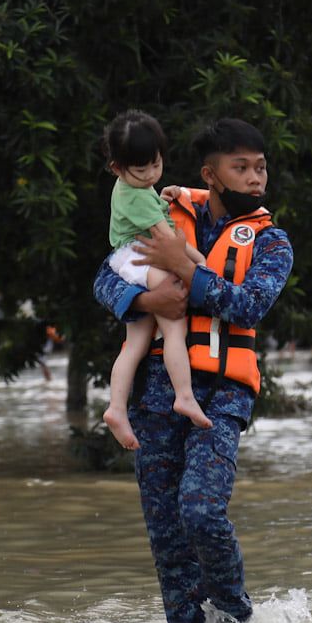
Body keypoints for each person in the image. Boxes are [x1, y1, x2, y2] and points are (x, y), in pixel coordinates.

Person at [92, 118, 293, 623]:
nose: (255, 178)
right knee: (167, 538)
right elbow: (105, 280)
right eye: (241, 167)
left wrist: (184, 268)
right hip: (155, 398)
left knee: (201, 511)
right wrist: (144, 302)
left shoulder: (272, 242)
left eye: (261, 167)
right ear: (211, 174)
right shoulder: (161, 212)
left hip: (221, 397)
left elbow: (248, 305)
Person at [100, 110, 211, 451]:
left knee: (135, 343)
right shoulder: (136, 194)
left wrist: (161, 198)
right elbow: (168, 241)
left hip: (128, 258)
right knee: (175, 326)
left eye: (156, 164)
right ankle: (184, 395)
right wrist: (199, 261)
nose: (150, 174)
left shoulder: (132, 188)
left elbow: (146, 209)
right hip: (140, 257)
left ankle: (116, 408)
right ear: (117, 168)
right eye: (142, 169)